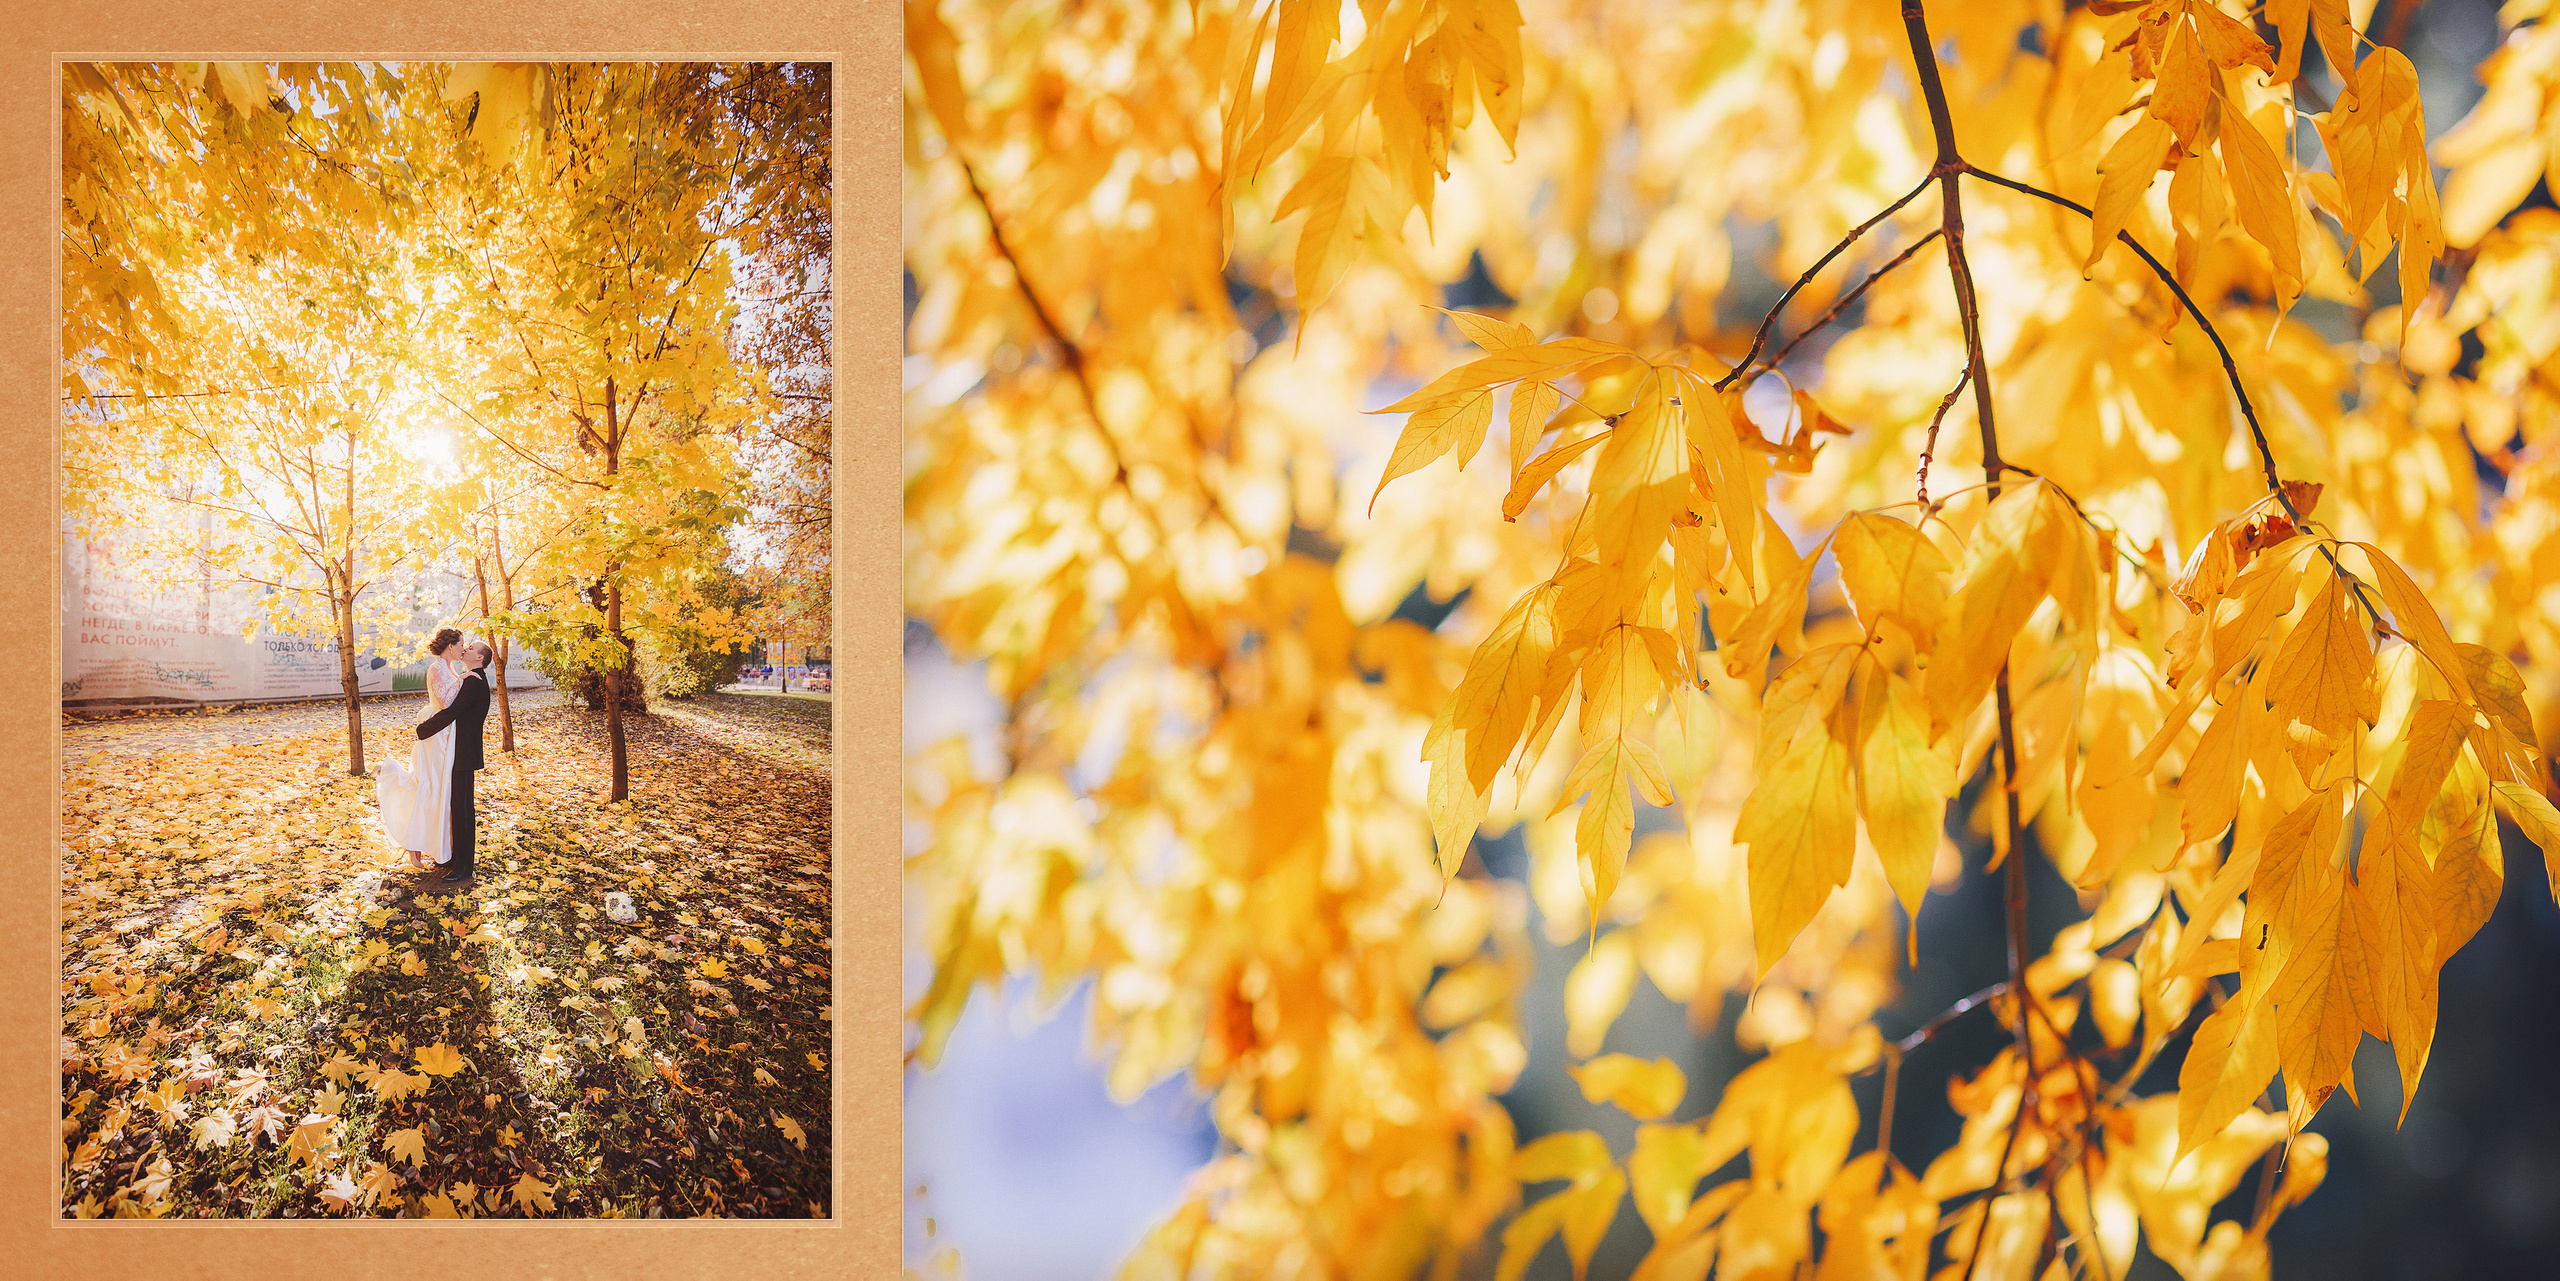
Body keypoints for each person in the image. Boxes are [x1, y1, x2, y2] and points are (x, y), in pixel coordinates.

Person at [376, 628, 466, 871]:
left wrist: (461, 677)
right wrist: (465, 679)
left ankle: (434, 848)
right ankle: (413, 848)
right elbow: (446, 702)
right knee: (428, 788)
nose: (463, 649)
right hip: (435, 736)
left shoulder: (451, 668)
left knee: (438, 792)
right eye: (461, 645)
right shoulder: (437, 668)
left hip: (446, 735)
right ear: (450, 646)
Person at [415, 640, 493, 885]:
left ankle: (464, 867)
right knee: (457, 807)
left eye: (470, 649)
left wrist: (423, 729)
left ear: (479, 658)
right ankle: (454, 859)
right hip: (459, 751)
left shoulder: (474, 681)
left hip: (463, 753)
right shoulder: (471, 677)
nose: (465, 650)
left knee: (463, 810)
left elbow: (453, 712)